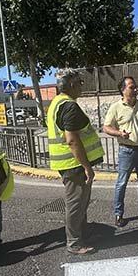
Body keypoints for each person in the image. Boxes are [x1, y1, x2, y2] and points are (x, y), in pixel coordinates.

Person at [47, 68, 105, 255]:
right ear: (71, 85)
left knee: (81, 202)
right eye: (80, 82)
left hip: (68, 163)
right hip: (73, 164)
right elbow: (72, 140)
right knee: (75, 203)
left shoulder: (57, 102)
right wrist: (86, 167)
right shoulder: (69, 106)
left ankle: (82, 235)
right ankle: (74, 243)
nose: (82, 86)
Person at [102, 76, 138, 227]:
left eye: (136, 87)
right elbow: (106, 127)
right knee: (121, 183)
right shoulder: (115, 107)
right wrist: (119, 133)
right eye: (131, 87)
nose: (135, 90)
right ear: (123, 90)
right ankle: (118, 214)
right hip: (126, 151)